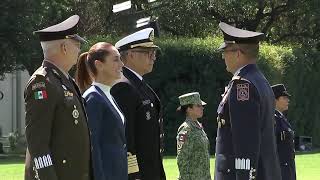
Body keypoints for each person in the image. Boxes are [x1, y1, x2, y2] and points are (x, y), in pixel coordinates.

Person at [24, 15, 93, 180]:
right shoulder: (42, 82)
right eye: (76, 44)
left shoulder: (63, 80)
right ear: (64, 47)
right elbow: (38, 144)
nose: (79, 50)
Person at [214, 22, 282, 180]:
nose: (223, 56)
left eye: (226, 51)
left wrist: (245, 176)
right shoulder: (260, 80)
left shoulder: (242, 85)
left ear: (238, 53)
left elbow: (245, 142)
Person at [110, 28, 166, 180]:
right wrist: (133, 175)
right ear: (131, 55)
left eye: (154, 53)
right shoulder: (124, 87)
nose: (153, 57)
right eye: (148, 52)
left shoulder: (138, 84)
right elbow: (126, 140)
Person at [75, 42, 127, 180]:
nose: (122, 64)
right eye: (116, 59)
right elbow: (93, 147)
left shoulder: (107, 95)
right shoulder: (93, 98)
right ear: (99, 65)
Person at [176, 92, 211, 180]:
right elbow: (182, 159)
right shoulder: (186, 129)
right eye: (198, 106)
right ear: (188, 109)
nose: (202, 108)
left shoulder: (198, 127)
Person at [272, 84, 296, 180]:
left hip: (287, 169)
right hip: (279, 171)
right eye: (284, 98)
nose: (288, 100)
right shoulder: (272, 119)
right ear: (275, 100)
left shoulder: (281, 118)